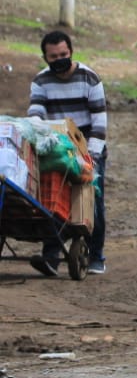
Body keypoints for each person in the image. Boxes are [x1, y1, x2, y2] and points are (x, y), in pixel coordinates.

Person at [27, 31, 108, 276]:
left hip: (87, 147)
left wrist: (91, 158)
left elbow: (100, 125)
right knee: (51, 198)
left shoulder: (89, 78)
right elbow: (35, 116)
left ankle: (96, 256)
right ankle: (51, 256)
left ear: (71, 52)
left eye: (63, 54)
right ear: (45, 57)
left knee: (93, 202)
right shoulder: (41, 81)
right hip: (56, 147)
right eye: (53, 56)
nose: (59, 59)